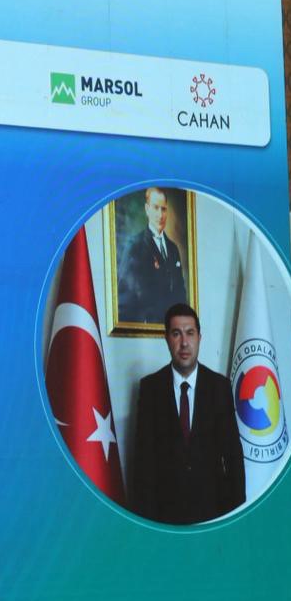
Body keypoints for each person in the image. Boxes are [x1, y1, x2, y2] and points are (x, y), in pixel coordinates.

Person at [131, 303, 244, 524]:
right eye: (176, 334)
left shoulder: (219, 387)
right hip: (165, 517)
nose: (184, 342)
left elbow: (233, 457)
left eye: (190, 333)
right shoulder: (150, 388)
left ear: (199, 338)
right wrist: (146, 525)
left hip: (213, 513)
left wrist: (236, 518)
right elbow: (143, 464)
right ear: (166, 339)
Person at [118, 187, 187, 323]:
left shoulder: (173, 249)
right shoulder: (135, 246)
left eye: (163, 209)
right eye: (156, 208)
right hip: (146, 327)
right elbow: (126, 296)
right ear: (147, 209)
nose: (160, 215)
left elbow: (180, 293)